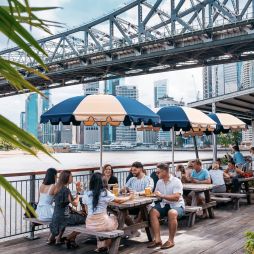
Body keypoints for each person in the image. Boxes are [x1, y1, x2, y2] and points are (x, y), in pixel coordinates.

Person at [83, 173, 133, 252]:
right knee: (116, 218)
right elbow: (119, 200)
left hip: (90, 224)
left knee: (103, 223)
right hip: (103, 224)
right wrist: (130, 197)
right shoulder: (105, 193)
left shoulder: (86, 193)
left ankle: (102, 245)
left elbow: (86, 210)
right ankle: (110, 246)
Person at [148, 163, 185, 250]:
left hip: (177, 205)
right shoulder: (159, 182)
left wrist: (162, 196)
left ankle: (171, 240)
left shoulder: (176, 181)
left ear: (164, 172)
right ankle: (157, 240)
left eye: (158, 172)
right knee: (153, 212)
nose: (156, 174)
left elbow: (176, 197)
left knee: (171, 213)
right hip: (165, 204)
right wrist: (149, 195)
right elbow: (157, 194)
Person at [48, 170, 80, 245]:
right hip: (65, 218)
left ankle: (56, 239)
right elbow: (75, 203)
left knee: (65, 217)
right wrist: (78, 192)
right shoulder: (66, 190)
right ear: (67, 178)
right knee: (85, 219)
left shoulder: (56, 188)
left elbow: (62, 204)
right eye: (71, 176)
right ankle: (70, 238)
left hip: (55, 217)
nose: (72, 178)